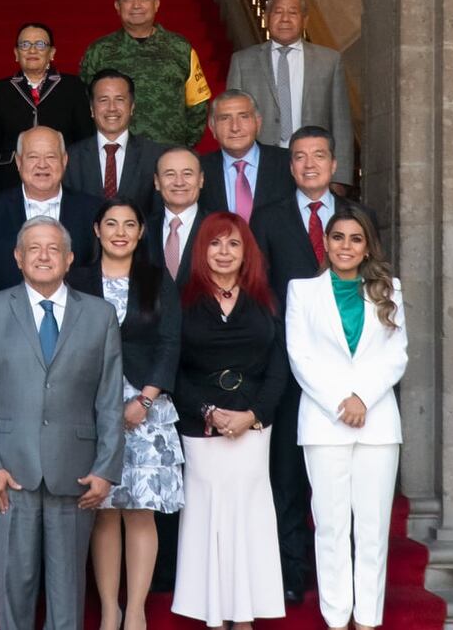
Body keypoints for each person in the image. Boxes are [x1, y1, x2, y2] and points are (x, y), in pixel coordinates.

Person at [0, 215, 124, 630]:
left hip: (77, 473)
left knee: (68, 588)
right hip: (9, 471)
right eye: (33, 248)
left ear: (70, 259)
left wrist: (106, 469)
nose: (43, 256)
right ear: (17, 257)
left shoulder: (100, 315)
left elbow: (109, 400)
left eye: (53, 248)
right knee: (12, 583)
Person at [251, 125, 377, 603]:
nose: (309, 165)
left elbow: (375, 281)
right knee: (285, 474)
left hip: (346, 373)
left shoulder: (357, 217)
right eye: (299, 157)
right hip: (287, 366)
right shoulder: (268, 217)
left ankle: (341, 577)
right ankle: (291, 572)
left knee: (342, 482)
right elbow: (259, 288)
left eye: (319, 156)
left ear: (334, 164)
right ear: (290, 166)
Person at [285, 206, 407, 630]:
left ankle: (368, 619)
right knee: (331, 526)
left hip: (377, 423)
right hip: (324, 421)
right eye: (338, 237)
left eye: (356, 239)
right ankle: (337, 618)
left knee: (372, 528)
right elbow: (299, 356)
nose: (346, 246)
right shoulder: (302, 291)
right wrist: (342, 400)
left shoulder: (387, 289)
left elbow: (396, 356)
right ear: (326, 242)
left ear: (367, 245)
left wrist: (363, 397)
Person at [68, 197, 183, 630]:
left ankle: (135, 609)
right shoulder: (76, 279)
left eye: (129, 224)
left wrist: (145, 400)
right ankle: (109, 609)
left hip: (146, 410)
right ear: (96, 230)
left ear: (140, 233)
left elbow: (170, 342)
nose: (120, 231)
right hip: (88, 406)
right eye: (111, 223)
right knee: (103, 509)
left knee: (140, 511)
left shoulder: (157, 279)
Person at [169, 212, 288, 629]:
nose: (223, 252)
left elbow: (279, 369)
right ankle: (214, 616)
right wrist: (208, 412)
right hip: (200, 429)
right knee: (208, 518)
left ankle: (245, 615)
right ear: (202, 250)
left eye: (233, 244)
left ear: (246, 251)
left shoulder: (265, 301)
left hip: (253, 428)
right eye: (215, 243)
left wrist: (253, 414)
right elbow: (174, 370)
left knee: (248, 519)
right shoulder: (181, 302)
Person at [227, 0, 354, 189]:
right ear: (267, 18)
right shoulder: (243, 61)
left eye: (293, 12)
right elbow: (230, 119)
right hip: (260, 168)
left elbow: (341, 122)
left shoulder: (329, 61)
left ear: (305, 20)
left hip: (313, 167)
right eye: (278, 12)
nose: (285, 19)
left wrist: (341, 178)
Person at [80, 0, 211, 147]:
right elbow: (85, 103)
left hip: (169, 155)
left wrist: (184, 147)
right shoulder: (99, 50)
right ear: (117, 6)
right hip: (117, 156)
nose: (136, 5)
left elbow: (198, 104)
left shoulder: (180, 47)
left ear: (156, 4)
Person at [0, 126, 100, 292]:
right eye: (33, 157)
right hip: (6, 315)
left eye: (51, 157)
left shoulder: (92, 211)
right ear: (18, 161)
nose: (42, 165)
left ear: (64, 160)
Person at [0, 22, 94, 193]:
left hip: (64, 179)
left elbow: (85, 140)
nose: (32, 50)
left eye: (40, 44)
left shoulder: (72, 87)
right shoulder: (2, 89)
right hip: (11, 180)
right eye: (25, 45)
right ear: (16, 53)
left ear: (52, 53)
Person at [64, 69, 165, 213]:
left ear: (132, 107)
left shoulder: (154, 156)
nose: (112, 108)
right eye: (103, 100)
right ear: (92, 109)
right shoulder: (70, 158)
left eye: (119, 100)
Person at [198, 89, 294, 220]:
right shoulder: (198, 168)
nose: (235, 127)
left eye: (244, 117)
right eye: (225, 118)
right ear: (212, 127)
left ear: (258, 123)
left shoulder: (288, 162)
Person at [145, 146, 209, 286]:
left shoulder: (219, 229)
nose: (179, 182)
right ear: (157, 182)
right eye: (169, 174)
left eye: (187, 174)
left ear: (201, 179)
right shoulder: (142, 229)